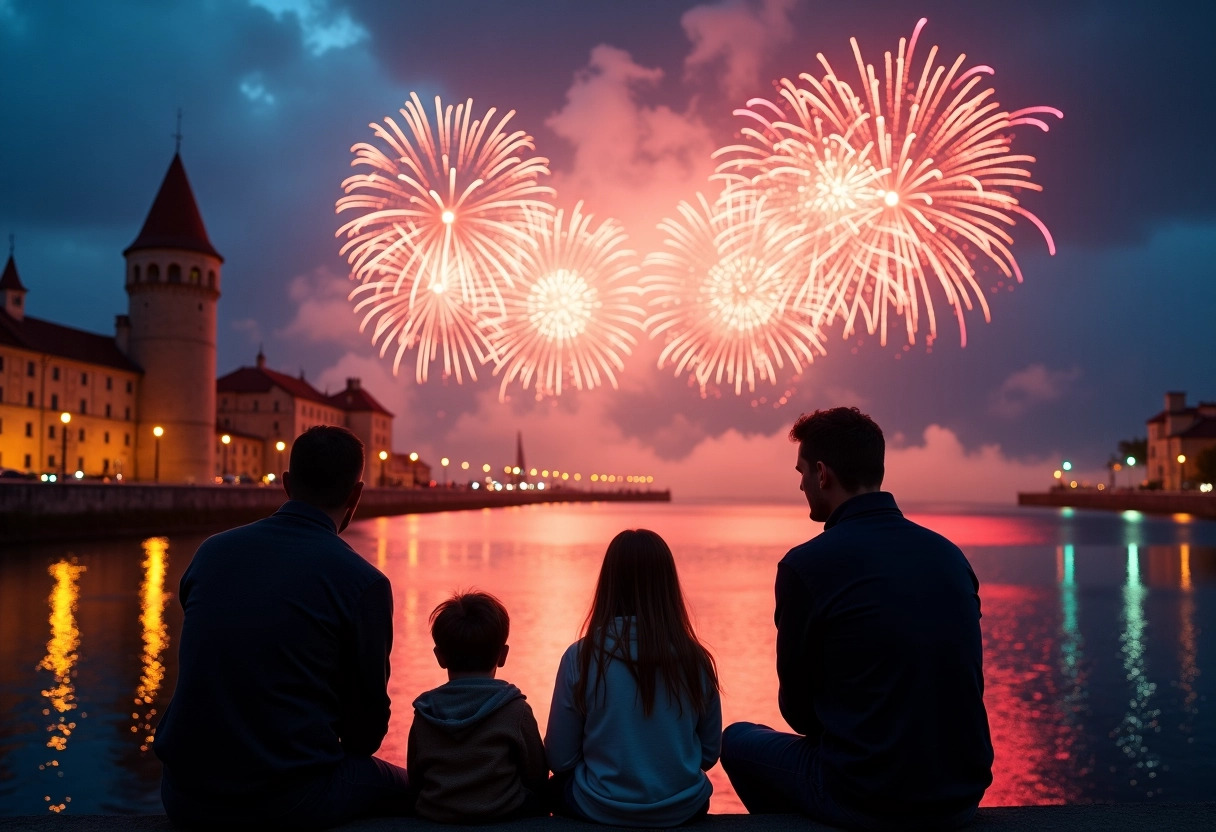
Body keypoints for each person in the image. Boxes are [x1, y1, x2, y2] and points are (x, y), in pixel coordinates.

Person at [721, 407, 994, 831]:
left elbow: (798, 713)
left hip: (869, 797)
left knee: (736, 741)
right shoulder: (949, 556)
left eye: (802, 472)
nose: (800, 484)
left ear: (822, 473)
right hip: (962, 795)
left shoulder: (806, 566)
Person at [154, 425, 410, 830]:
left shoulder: (211, 553)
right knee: (412, 788)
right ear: (356, 495)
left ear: (287, 484)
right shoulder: (364, 583)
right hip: (286, 799)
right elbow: (365, 734)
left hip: (183, 794)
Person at [545, 528, 721, 827]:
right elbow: (708, 755)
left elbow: (560, 760)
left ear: (609, 584)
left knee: (546, 790)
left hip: (600, 807)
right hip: (683, 809)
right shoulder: (697, 660)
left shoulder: (581, 657)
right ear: (668, 586)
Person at [407, 591, 548, 822]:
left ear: (439, 656)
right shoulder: (515, 710)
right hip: (503, 812)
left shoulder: (424, 711)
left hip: (436, 812)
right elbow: (536, 776)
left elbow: (416, 778)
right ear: (503, 655)